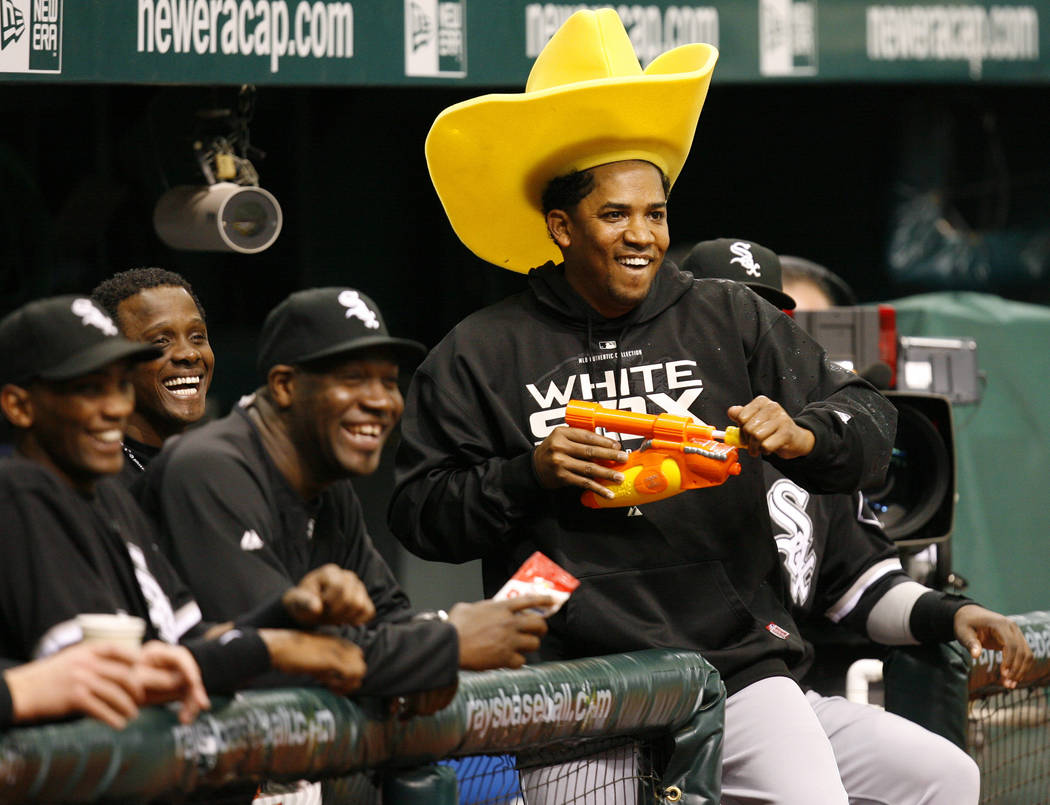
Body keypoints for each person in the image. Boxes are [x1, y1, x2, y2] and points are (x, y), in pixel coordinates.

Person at [390, 9, 898, 803]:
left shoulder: (731, 316)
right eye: (615, 214)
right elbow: (417, 510)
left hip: (734, 662)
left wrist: (805, 434)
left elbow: (871, 418)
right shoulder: (480, 349)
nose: (643, 236)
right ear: (561, 226)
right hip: (573, 676)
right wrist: (529, 474)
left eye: (655, 213)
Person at [682, 237, 1034, 804]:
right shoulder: (659, 432)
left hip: (779, 696)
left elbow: (860, 584)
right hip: (682, 699)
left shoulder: (815, 445)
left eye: (763, 312)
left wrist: (954, 614)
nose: (745, 329)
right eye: (728, 309)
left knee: (946, 774)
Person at [137, 286, 551, 713]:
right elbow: (273, 656)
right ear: (284, 386)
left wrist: (426, 653)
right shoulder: (210, 468)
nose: (379, 401)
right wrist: (446, 641)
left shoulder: (326, 478)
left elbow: (386, 615)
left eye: (388, 381)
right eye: (352, 379)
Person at [0, 294, 371, 715]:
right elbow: (108, 677)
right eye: (88, 389)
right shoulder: (20, 492)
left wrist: (285, 613)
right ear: (19, 405)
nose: (116, 407)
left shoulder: (111, 497)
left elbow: (187, 638)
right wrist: (275, 649)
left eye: (121, 385)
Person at [90, 268, 215, 484]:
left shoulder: (217, 465)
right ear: (114, 360)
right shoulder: (97, 479)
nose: (189, 353)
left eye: (197, 336)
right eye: (161, 341)